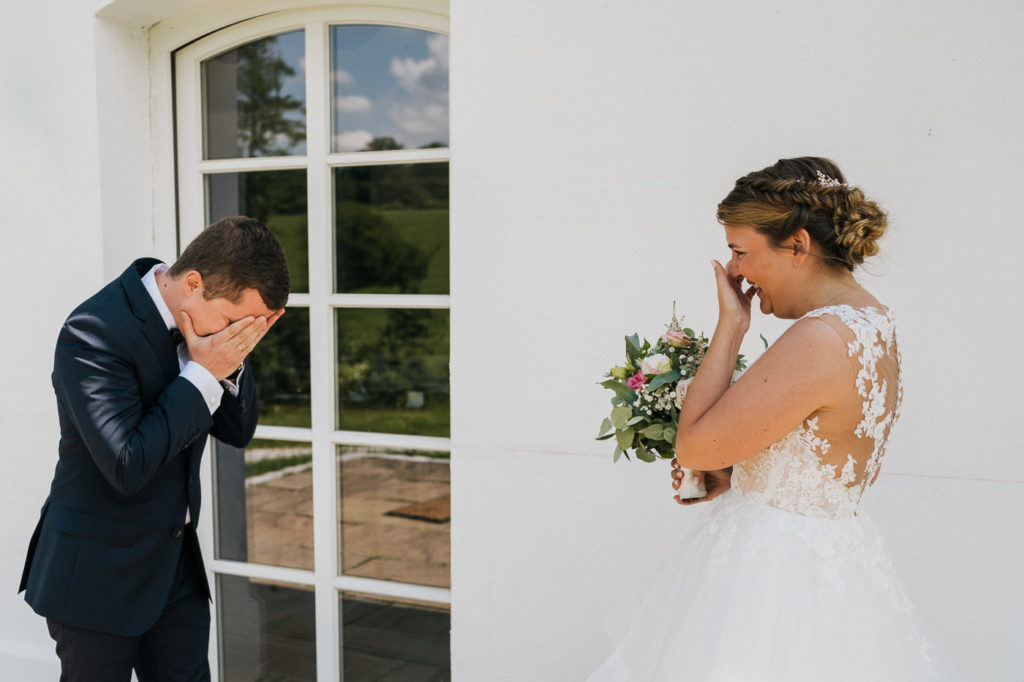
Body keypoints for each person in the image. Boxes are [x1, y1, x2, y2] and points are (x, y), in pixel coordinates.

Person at [589, 158, 957, 680]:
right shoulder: (874, 322)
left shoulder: (820, 338)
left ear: (798, 246)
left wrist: (731, 327)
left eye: (740, 252)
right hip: (835, 559)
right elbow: (839, 458)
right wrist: (747, 469)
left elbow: (693, 448)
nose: (734, 270)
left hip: (776, 581)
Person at [19, 216, 289, 681]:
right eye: (232, 323)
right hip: (96, 576)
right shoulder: (93, 331)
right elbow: (126, 464)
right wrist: (202, 374)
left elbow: (237, 430)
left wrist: (229, 364)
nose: (234, 339)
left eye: (248, 332)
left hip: (174, 567)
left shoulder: (211, 332)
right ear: (193, 283)